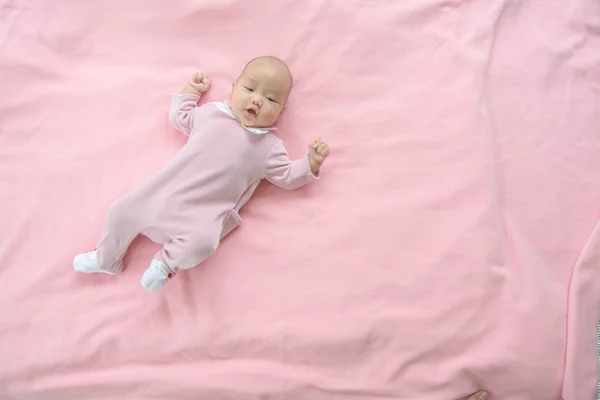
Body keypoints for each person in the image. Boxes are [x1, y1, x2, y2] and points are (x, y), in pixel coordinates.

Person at [73, 56, 331, 291]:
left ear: (281, 112)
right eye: (250, 89)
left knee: (204, 243)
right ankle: (106, 257)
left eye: (271, 99)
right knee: (122, 210)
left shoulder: (269, 147)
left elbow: (287, 176)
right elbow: (180, 117)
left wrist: (311, 162)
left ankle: (165, 263)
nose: (257, 100)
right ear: (233, 88)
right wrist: (191, 92)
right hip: (161, 195)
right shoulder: (212, 114)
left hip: (202, 216)